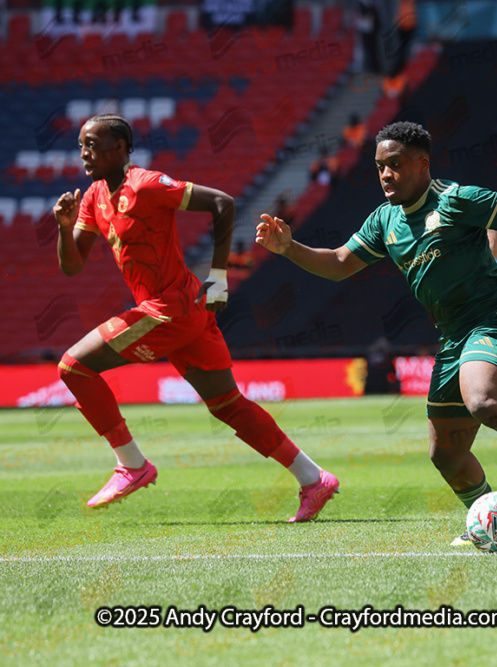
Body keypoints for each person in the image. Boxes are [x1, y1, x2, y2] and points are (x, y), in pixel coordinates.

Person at [256, 121, 497, 543]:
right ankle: (491, 523)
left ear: (422, 165)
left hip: (496, 321)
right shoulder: (384, 221)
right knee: (447, 455)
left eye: (395, 165)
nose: (385, 174)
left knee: (481, 399)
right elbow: (340, 262)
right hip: (454, 339)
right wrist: (289, 249)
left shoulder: (458, 200)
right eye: (380, 166)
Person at [52, 114, 339, 521]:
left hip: (169, 307)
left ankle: (132, 464)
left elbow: (222, 203)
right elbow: (73, 264)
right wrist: (64, 229)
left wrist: (219, 276)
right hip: (182, 309)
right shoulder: (93, 195)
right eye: (82, 144)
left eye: (93, 145)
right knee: (227, 405)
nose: (85, 153)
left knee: (73, 366)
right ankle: (314, 479)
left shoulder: (147, 184)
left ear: (120, 149)